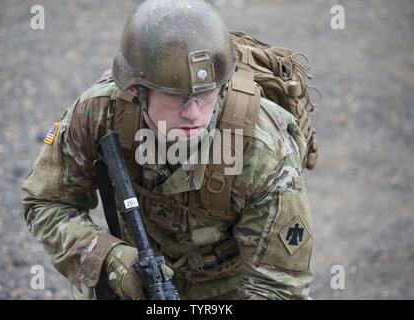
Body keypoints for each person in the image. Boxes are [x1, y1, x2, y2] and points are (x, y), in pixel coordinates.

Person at [22, 0, 314, 300]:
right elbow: (46, 202)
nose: (193, 113)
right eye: (176, 97)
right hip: (134, 284)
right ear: (137, 90)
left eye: (204, 94)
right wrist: (106, 257)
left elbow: (280, 287)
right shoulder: (100, 113)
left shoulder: (263, 148)